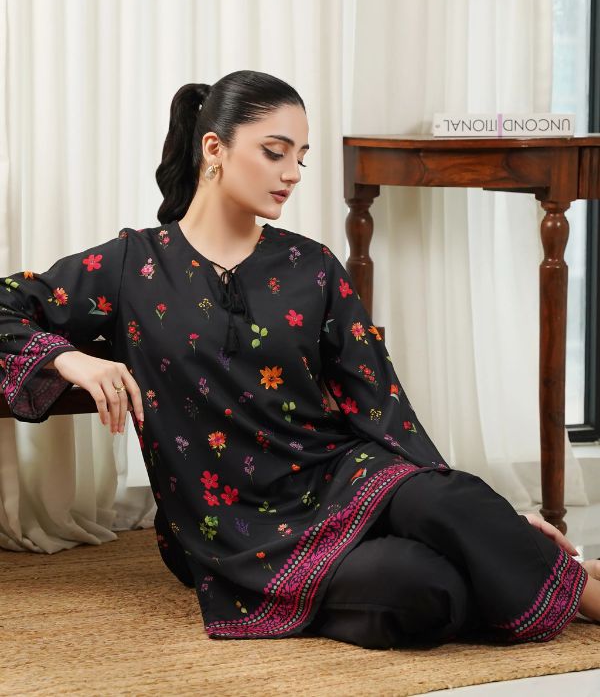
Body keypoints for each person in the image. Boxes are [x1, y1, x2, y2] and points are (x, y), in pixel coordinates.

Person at [0, 69, 598, 649]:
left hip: (340, 476)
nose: (293, 174)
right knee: (423, 589)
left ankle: (578, 593)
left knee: (445, 500)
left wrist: (476, 519)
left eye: (301, 158)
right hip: (227, 527)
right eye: (275, 152)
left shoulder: (311, 266)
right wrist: (67, 359)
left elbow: (381, 403)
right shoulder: (132, 264)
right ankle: (544, 578)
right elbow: (6, 303)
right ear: (214, 148)